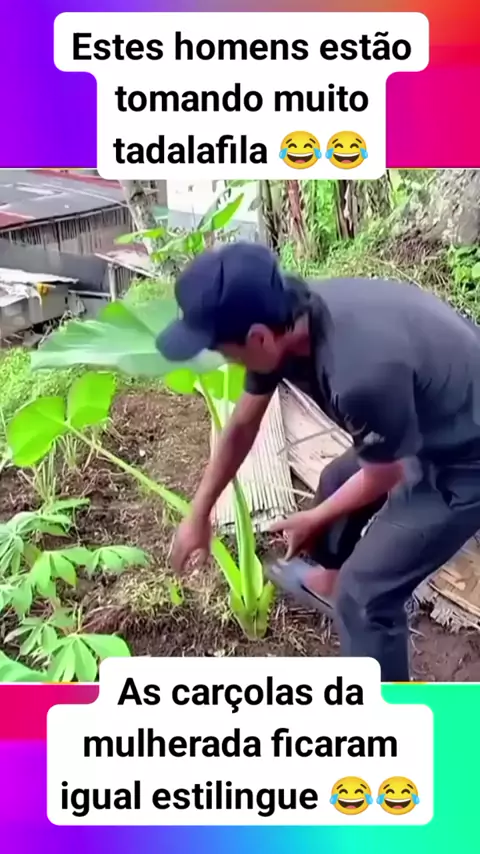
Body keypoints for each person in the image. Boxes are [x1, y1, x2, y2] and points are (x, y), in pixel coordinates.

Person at [156, 241, 480, 682]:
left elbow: (386, 473)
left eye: (222, 350)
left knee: (364, 598)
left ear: (257, 338)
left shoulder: (358, 373)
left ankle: (383, 708)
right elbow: (242, 427)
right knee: (333, 479)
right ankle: (331, 577)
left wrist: (313, 518)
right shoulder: (284, 317)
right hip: (430, 412)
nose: (223, 359)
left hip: (465, 457)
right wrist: (199, 512)